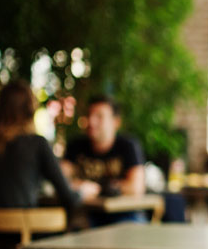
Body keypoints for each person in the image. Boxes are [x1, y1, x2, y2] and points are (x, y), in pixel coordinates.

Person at [0, 80, 92, 210]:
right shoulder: (37, 144)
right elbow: (69, 199)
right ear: (30, 110)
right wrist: (83, 191)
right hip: (23, 233)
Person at [61, 95, 146, 224]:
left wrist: (92, 187)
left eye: (99, 116)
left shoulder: (128, 146)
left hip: (124, 215)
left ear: (116, 122)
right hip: (86, 215)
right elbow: (60, 179)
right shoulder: (76, 145)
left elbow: (135, 187)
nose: (91, 121)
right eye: (89, 115)